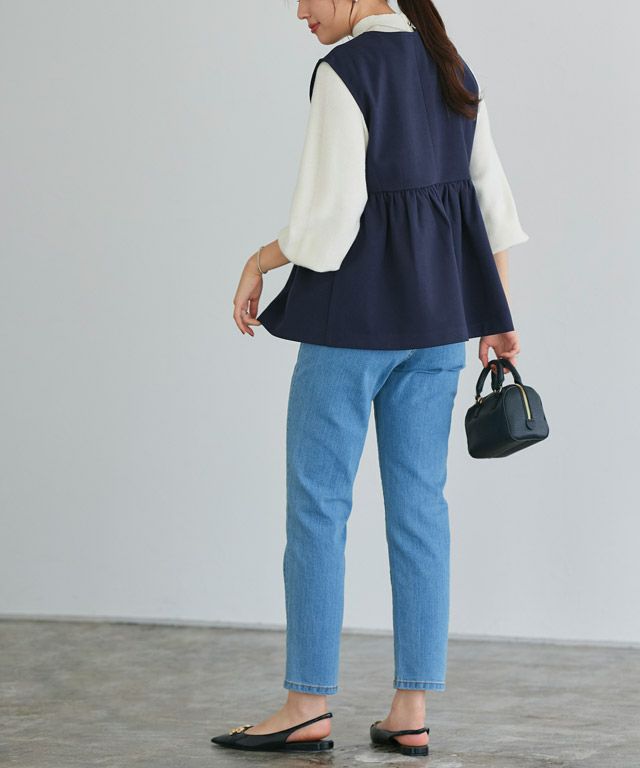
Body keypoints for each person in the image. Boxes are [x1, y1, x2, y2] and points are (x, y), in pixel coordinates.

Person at [216, 0, 529, 756]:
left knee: (318, 508)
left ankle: (306, 704)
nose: (300, 11)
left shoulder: (345, 71)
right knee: (421, 509)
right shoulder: (452, 65)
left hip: (350, 328)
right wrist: (497, 315)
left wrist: (259, 259)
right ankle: (410, 710)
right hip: (439, 328)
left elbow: (327, 225)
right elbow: (492, 203)